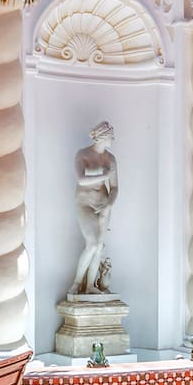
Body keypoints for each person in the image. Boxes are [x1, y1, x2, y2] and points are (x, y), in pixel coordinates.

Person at [71, 122, 118, 296]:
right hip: (85, 204)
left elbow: (115, 188)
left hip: (103, 204)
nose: (113, 139)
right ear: (103, 137)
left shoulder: (111, 158)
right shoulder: (83, 154)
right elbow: (81, 180)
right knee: (92, 244)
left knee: (99, 247)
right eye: (111, 136)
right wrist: (105, 174)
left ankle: (90, 285)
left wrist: (109, 205)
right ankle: (76, 284)